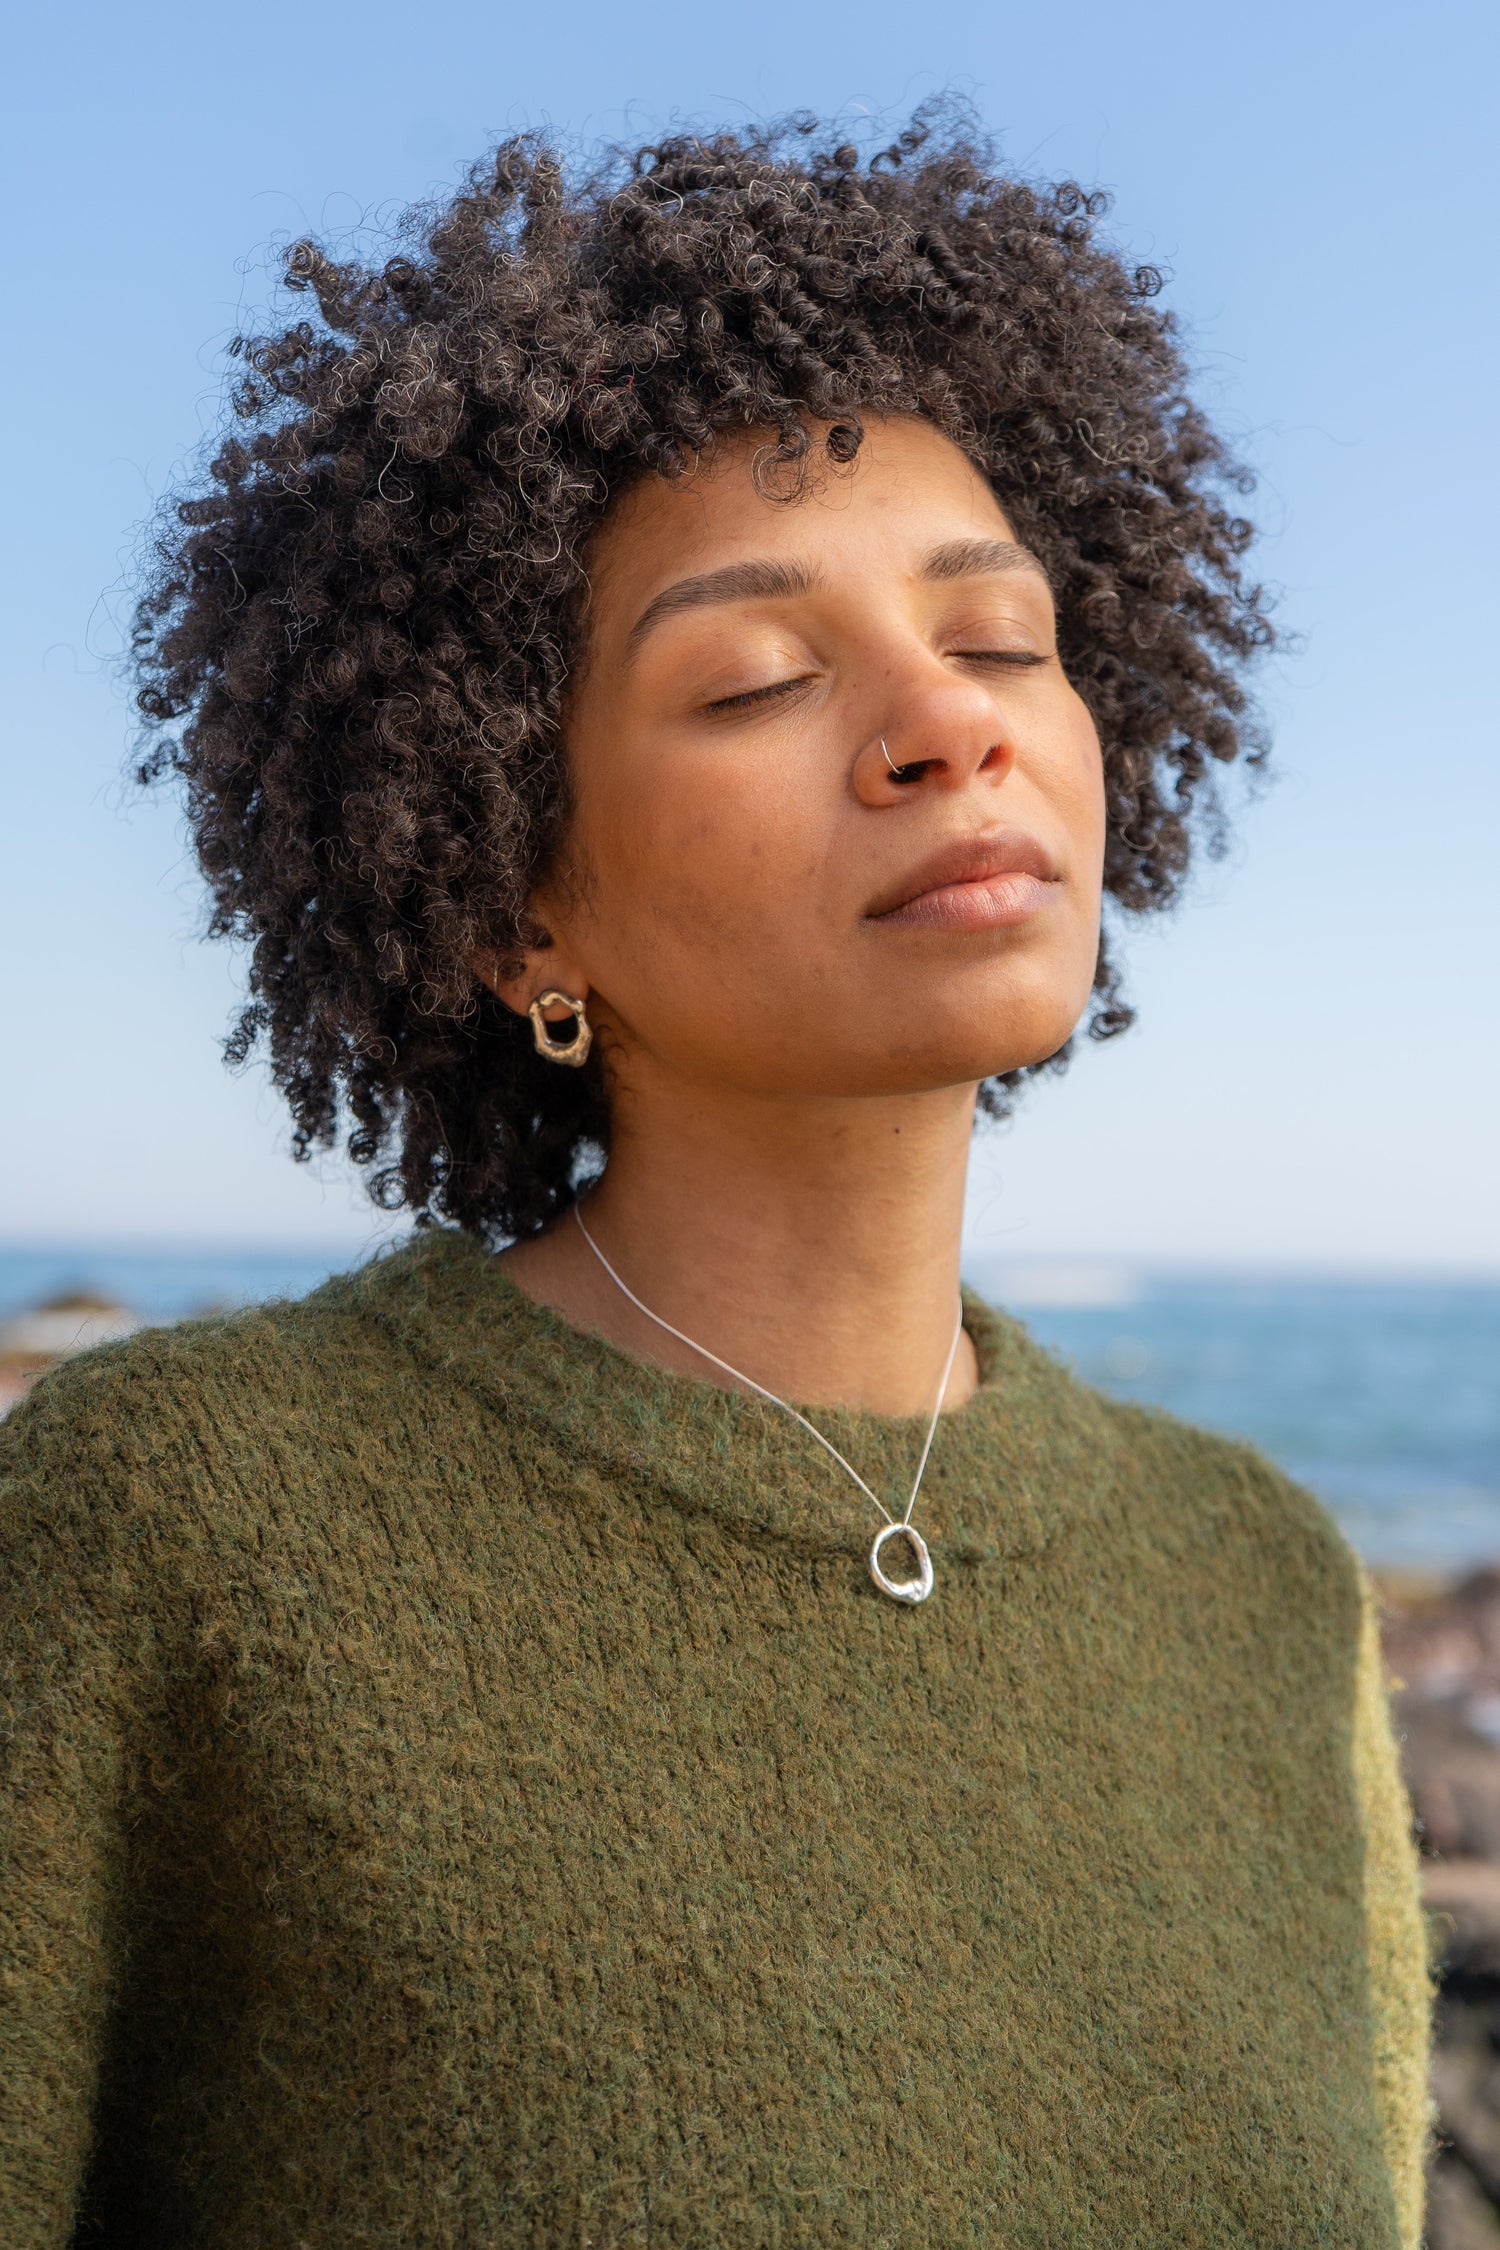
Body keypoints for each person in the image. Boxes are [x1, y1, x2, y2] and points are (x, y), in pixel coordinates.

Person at [0, 111, 1429, 2246]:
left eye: (1008, 638)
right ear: (510, 908)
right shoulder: (172, 1530)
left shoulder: (1266, 1587)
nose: (950, 723)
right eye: (758, 675)